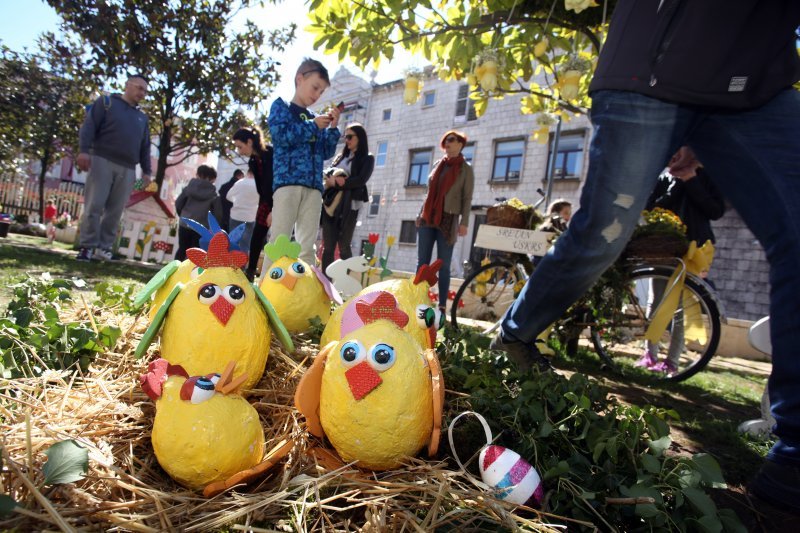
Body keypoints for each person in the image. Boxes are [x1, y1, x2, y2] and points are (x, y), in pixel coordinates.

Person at [488, 0, 800, 512]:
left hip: (755, 81)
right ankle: (515, 335)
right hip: (649, 69)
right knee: (601, 235)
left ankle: (795, 456)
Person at [637, 149, 725, 373]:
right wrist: (677, 184)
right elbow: (651, 208)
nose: (675, 156)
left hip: (696, 248)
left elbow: (715, 210)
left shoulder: (710, 176)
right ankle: (650, 354)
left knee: (684, 304)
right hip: (663, 246)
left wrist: (692, 181)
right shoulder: (664, 178)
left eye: (681, 152)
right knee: (656, 300)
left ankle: (672, 361)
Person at [267, 58, 341, 265]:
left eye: (321, 92)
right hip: (287, 184)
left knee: (307, 245)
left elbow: (326, 151)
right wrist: (313, 126)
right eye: (315, 87)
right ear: (300, 79)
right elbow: (281, 135)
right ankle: (265, 291)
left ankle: (305, 292)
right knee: (279, 241)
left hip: (314, 188)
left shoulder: (315, 119)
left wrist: (333, 129)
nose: (316, 95)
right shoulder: (281, 107)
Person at [75, 74, 152, 261]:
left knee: (116, 211)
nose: (142, 93)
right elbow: (89, 126)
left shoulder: (142, 118)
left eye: (145, 91)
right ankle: (87, 246)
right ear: (128, 85)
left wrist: (147, 172)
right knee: (94, 205)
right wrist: (84, 151)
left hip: (128, 168)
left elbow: (145, 146)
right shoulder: (106, 103)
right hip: (102, 159)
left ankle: (104, 248)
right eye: (139, 88)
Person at [416, 130, 475, 312]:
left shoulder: (466, 169)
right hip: (428, 218)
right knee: (423, 263)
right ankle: (418, 299)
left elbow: (467, 198)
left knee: (444, 264)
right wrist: (420, 213)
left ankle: (441, 306)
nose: (447, 144)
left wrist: (464, 222)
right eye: (445, 141)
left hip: (448, 220)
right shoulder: (437, 165)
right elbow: (428, 194)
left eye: (451, 140)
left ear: (460, 144)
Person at [320, 123, 375, 273]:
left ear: (360, 138)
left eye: (350, 137)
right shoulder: (340, 157)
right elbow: (329, 175)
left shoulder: (367, 158)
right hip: (330, 205)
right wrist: (331, 180)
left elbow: (361, 180)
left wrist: (339, 183)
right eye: (345, 137)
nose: (347, 140)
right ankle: (326, 284)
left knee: (344, 246)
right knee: (328, 246)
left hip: (350, 206)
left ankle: (346, 285)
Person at [232, 126, 274, 281]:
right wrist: (267, 206)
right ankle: (250, 271)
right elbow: (261, 188)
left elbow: (275, 182)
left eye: (240, 146)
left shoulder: (270, 153)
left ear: (249, 142)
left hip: (280, 199)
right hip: (265, 202)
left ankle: (274, 275)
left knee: (277, 237)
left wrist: (274, 208)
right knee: (257, 236)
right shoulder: (253, 161)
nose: (239, 151)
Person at [174, 165, 221, 261]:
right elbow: (217, 214)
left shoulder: (188, 189)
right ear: (211, 178)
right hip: (201, 227)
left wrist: (183, 215)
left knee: (182, 249)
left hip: (185, 223)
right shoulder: (213, 195)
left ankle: (174, 272)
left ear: (198, 174)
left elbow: (178, 204)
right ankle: (191, 274)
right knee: (196, 252)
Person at [226, 170, 259, 254]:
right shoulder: (259, 185)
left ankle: (230, 264)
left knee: (233, 241)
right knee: (246, 243)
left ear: (247, 173)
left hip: (236, 215)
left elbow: (228, 196)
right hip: (250, 217)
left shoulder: (239, 183)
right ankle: (242, 265)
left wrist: (237, 201)